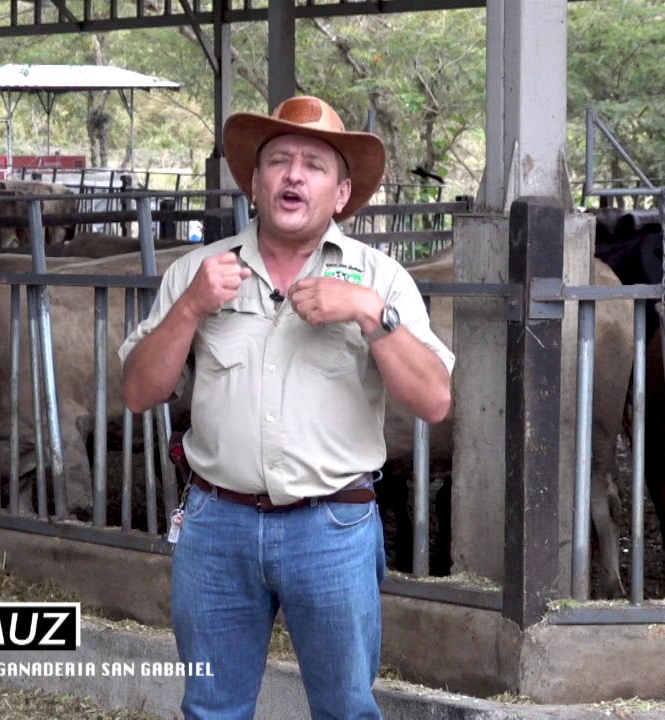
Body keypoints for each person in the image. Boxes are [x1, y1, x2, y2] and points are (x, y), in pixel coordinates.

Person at [119, 95, 454, 720]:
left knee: (346, 711)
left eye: (313, 164)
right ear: (254, 182)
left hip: (332, 529)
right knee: (212, 708)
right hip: (216, 527)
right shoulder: (197, 271)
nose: (293, 175)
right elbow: (139, 392)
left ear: (342, 193)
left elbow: (434, 399)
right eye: (278, 161)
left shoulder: (379, 279)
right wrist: (190, 308)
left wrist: (366, 313)